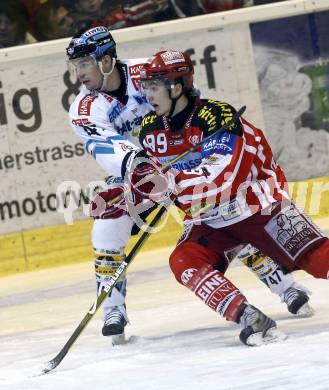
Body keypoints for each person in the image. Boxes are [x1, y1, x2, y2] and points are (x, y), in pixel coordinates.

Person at [126, 50, 329, 346]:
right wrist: (137, 197)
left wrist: (166, 183)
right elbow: (156, 179)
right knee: (184, 261)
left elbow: (219, 179)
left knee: (320, 260)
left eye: (153, 86)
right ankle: (248, 317)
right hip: (210, 219)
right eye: (146, 86)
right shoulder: (151, 130)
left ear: (176, 86)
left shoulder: (217, 116)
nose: (147, 94)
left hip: (258, 206)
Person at [66, 27, 314, 344]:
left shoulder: (148, 72)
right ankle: (113, 309)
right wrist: (141, 168)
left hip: (183, 162)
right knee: (106, 224)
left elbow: (190, 102)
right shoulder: (84, 109)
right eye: (75, 67)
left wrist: (199, 143)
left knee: (224, 216)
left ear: (105, 60)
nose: (78, 74)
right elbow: (106, 148)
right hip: (138, 175)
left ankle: (283, 284)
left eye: (84, 64)